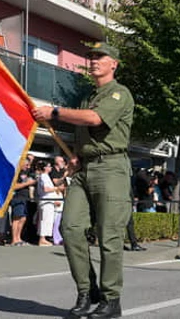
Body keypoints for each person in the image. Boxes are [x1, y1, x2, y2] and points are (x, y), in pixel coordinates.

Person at [32, 41, 134, 319]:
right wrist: (76, 158)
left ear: (114, 63)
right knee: (70, 227)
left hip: (111, 168)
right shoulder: (86, 98)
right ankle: (87, 291)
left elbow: (94, 120)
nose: (93, 60)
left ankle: (111, 299)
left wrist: (54, 112)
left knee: (109, 237)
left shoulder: (119, 94)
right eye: (91, 56)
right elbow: (83, 133)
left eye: (100, 56)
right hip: (84, 170)